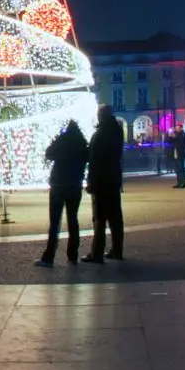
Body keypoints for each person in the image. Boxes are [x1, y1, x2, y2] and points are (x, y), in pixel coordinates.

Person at [36, 120, 88, 267]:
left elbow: (48, 154)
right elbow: (87, 159)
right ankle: (73, 256)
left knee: (54, 222)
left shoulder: (62, 139)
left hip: (59, 184)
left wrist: (56, 140)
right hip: (75, 185)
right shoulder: (82, 142)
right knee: (73, 220)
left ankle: (49, 257)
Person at [84, 106, 124, 264]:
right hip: (113, 177)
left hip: (101, 179)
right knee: (115, 216)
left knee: (99, 218)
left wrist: (91, 180)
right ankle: (117, 249)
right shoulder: (116, 131)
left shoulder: (102, 133)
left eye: (99, 114)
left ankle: (97, 253)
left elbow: (95, 158)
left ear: (102, 116)